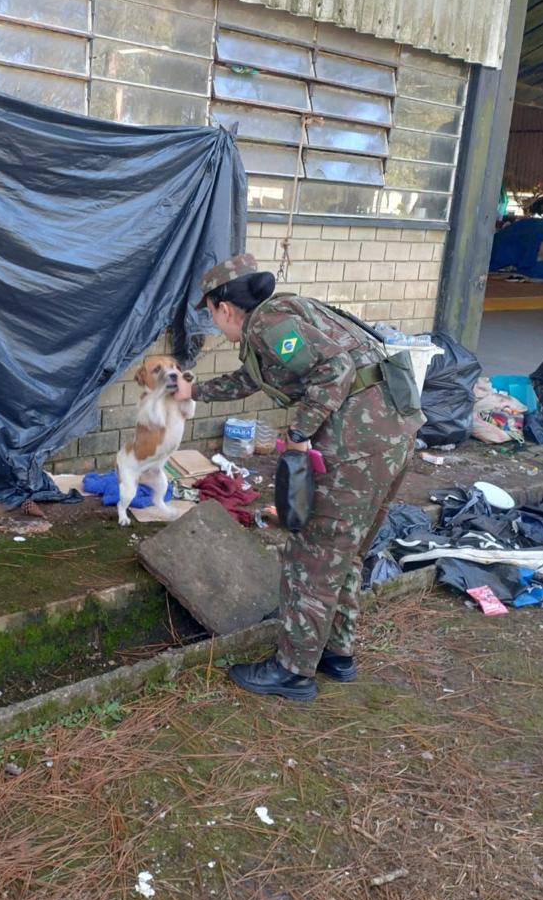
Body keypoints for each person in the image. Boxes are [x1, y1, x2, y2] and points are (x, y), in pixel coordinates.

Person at [175, 253, 420, 701]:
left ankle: (292, 671)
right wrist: (195, 391)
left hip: (356, 446)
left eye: (211, 315)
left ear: (224, 308)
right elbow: (253, 379)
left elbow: (335, 370)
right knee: (343, 553)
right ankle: (335, 653)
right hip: (390, 435)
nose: (215, 325)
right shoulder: (285, 317)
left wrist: (299, 433)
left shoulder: (270, 323)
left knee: (312, 557)